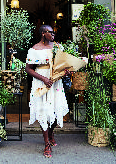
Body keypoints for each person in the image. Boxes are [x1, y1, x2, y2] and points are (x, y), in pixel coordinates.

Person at [25, 25, 69, 158]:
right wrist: (43, 78)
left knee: (57, 109)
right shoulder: (34, 49)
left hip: (56, 82)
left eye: (54, 32)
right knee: (43, 110)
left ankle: (50, 132)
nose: (53, 34)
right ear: (43, 33)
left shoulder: (58, 47)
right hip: (41, 81)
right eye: (51, 32)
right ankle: (46, 144)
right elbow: (28, 69)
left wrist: (66, 72)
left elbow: (63, 64)